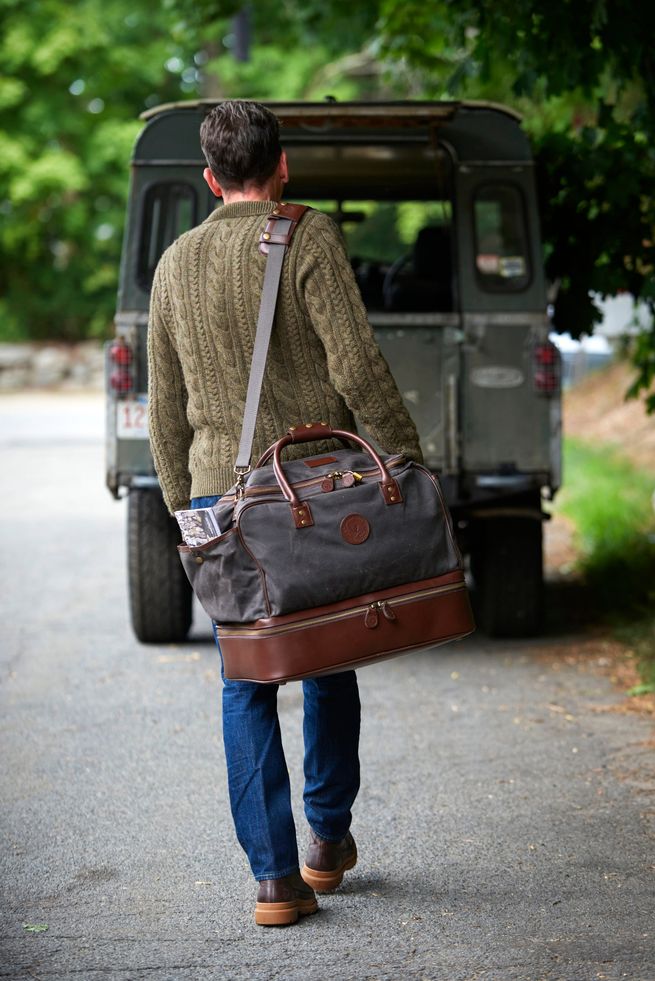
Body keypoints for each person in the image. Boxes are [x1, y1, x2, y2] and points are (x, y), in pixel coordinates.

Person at [147, 100, 422, 927]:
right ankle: (326, 841)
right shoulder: (307, 235)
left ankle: (274, 880)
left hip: (218, 494)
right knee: (329, 650)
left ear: (208, 177)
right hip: (309, 489)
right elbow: (358, 362)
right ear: (284, 165)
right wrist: (405, 459)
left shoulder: (174, 263)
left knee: (247, 676)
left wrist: (181, 505)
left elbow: (165, 405)